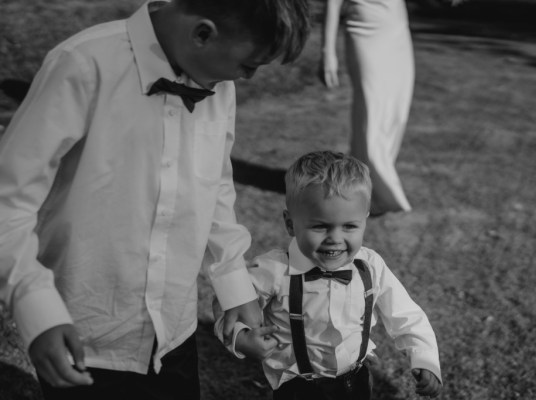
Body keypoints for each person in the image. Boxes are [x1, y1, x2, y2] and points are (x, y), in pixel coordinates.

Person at [0, 1, 310, 399]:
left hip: (173, 333)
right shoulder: (82, 64)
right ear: (202, 33)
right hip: (88, 333)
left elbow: (214, 185)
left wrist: (234, 285)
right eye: (250, 64)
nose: (247, 77)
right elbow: (9, 200)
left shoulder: (218, 85)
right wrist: (36, 310)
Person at [214, 150, 442, 399]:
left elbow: (406, 314)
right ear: (290, 223)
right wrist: (241, 338)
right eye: (320, 226)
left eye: (350, 226)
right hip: (299, 387)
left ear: (364, 221)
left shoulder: (370, 266)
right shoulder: (274, 270)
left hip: (355, 380)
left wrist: (424, 358)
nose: (335, 239)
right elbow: (229, 305)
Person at [318, 0, 415, 215]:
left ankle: (362, 184)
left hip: (397, 27)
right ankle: (379, 192)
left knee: (396, 111)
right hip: (365, 29)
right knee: (372, 109)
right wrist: (328, 51)